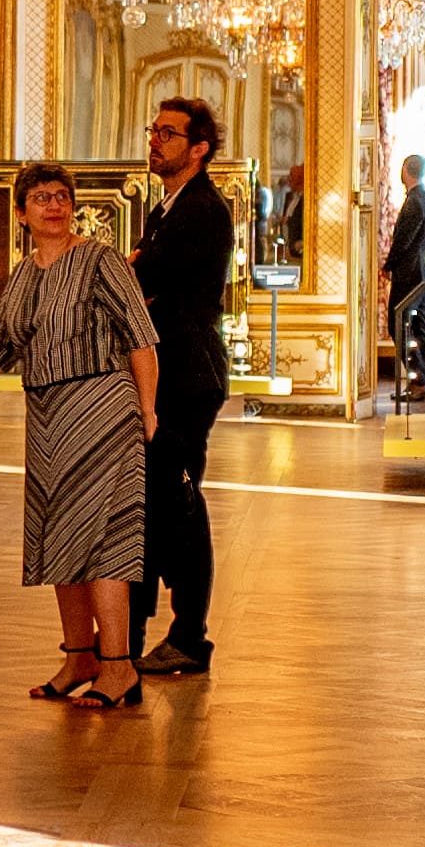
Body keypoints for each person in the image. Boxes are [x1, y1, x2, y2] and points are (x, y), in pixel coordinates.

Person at [0, 164, 160, 707]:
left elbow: (141, 338)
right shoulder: (23, 275)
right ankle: (79, 657)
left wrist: (148, 410)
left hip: (103, 409)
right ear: (22, 212)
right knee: (59, 539)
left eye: (62, 197)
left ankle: (118, 667)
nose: (54, 206)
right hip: (46, 417)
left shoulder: (100, 260)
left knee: (106, 539)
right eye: (41, 198)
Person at [131, 97, 237, 674]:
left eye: (168, 134)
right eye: (154, 130)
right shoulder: (168, 206)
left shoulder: (200, 210)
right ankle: (148, 625)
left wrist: (130, 269)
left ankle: (190, 636)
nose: (155, 140)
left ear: (198, 149)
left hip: (187, 376)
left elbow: (143, 277)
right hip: (170, 371)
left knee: (179, 503)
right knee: (159, 502)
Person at [383, 151, 425, 393]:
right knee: (420, 326)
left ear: (405, 171)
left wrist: (388, 265)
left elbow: (404, 240)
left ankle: (419, 379)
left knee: (398, 322)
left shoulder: (415, 201)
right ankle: (423, 379)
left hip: (410, 273)